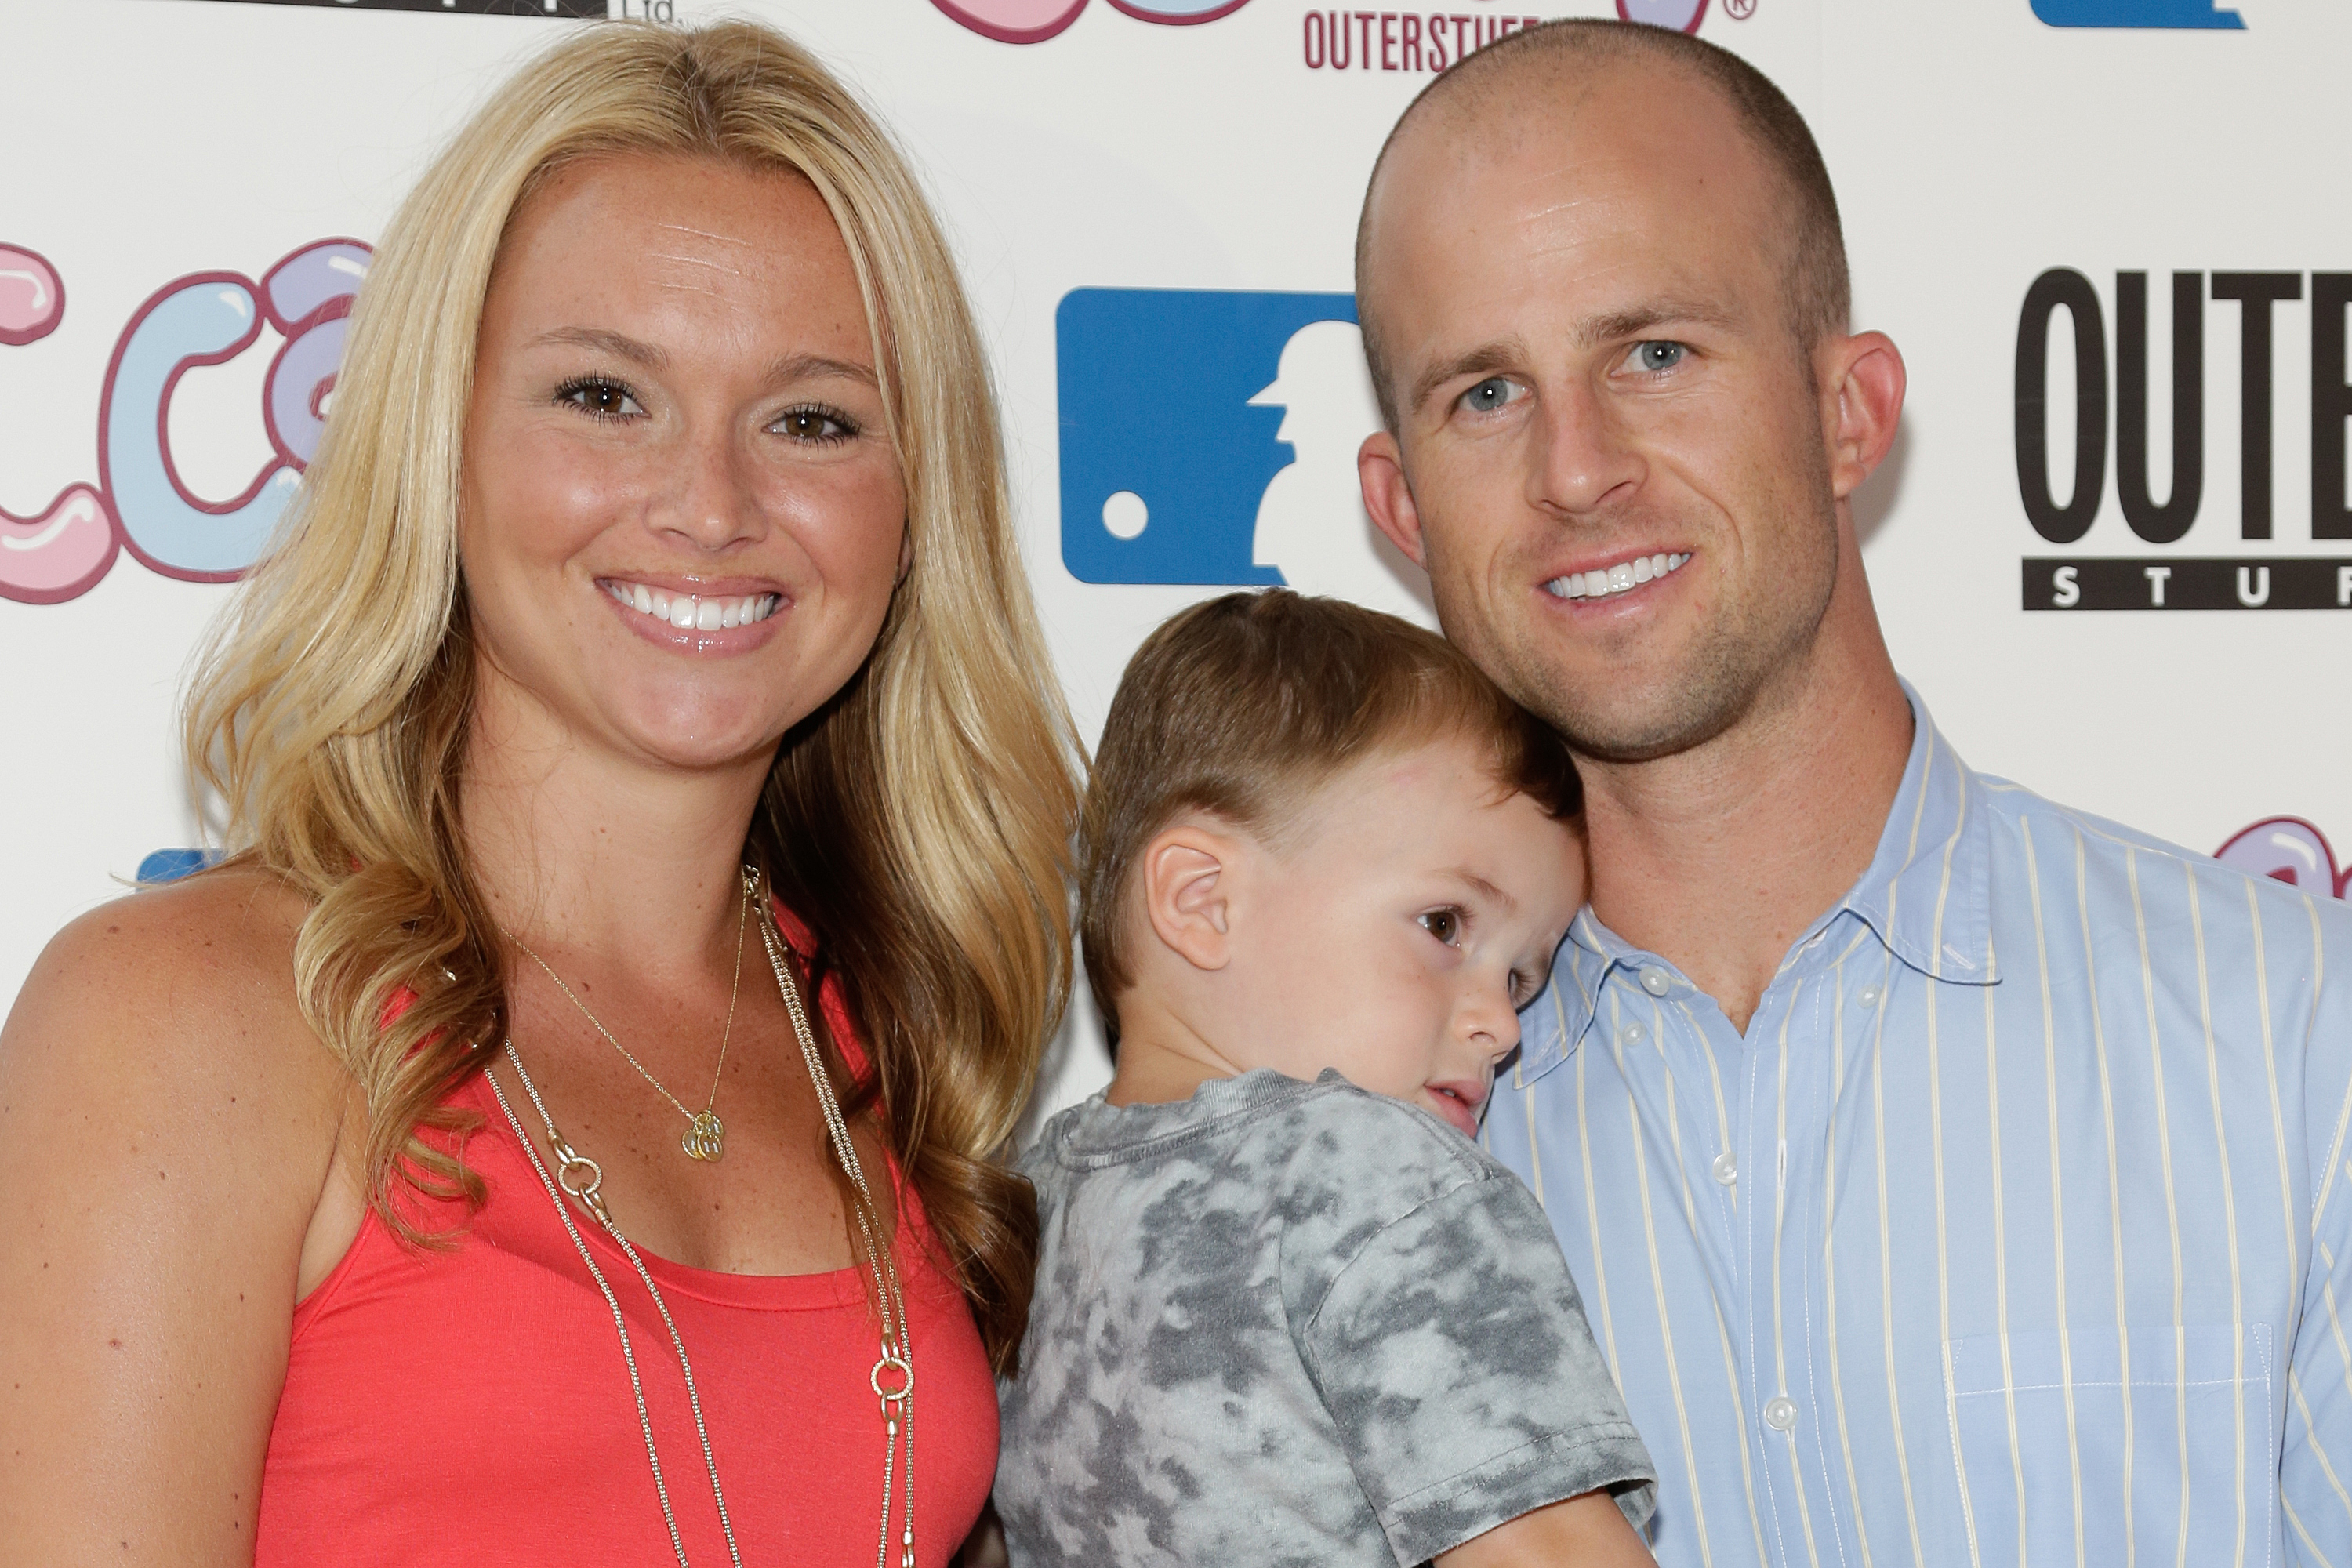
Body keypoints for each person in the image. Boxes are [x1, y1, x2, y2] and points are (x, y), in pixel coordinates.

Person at [0, 21, 1077, 1567]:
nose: (711, 502)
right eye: (603, 396)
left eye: (813, 418)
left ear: (916, 506)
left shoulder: (890, 1027)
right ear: (438, 446)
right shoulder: (191, 1015)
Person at [1353, 19, 2352, 1567]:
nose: (1574, 469)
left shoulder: (2296, 1041)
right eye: (1484, 393)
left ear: (1851, 411)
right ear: (1399, 505)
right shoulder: (1335, 1159)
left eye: (1654, 354)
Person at [996, 589, 1658, 1567]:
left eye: (1523, 973)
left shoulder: (1028, 1209)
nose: (1501, 1022)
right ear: (1201, 900)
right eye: (1445, 924)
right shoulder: (1372, 1175)